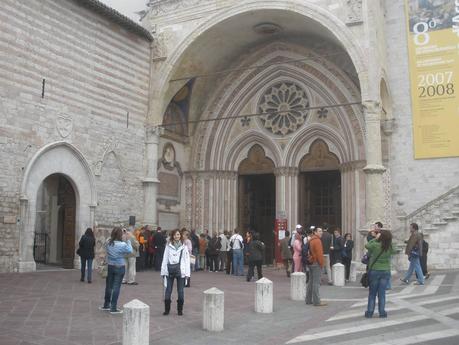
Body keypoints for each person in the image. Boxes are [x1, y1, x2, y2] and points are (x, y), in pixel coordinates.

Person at [100, 227, 133, 314]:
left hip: (110, 266)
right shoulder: (122, 245)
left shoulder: (108, 243)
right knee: (116, 287)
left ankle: (106, 305)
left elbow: (107, 241)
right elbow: (130, 250)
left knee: (109, 286)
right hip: (119, 266)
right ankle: (113, 307)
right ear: (120, 235)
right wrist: (128, 239)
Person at [364, 230, 395, 318]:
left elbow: (367, 245)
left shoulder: (375, 245)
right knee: (382, 293)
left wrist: (374, 239)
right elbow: (395, 250)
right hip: (385, 271)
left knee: (372, 293)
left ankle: (370, 312)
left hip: (375, 270)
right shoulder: (389, 246)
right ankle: (382, 312)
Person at [161, 229, 191, 316]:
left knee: (180, 291)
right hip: (169, 270)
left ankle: (180, 310)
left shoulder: (184, 247)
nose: (176, 236)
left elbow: (187, 260)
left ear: (180, 236)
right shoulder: (168, 246)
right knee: (168, 290)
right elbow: (165, 258)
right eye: (175, 235)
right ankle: (167, 309)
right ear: (172, 236)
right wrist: (163, 271)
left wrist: (187, 274)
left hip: (181, 271)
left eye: (178, 235)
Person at [305, 227, 327, 306]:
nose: (321, 232)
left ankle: (308, 299)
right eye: (319, 231)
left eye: (321, 231)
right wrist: (322, 264)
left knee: (311, 281)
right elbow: (319, 254)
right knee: (316, 283)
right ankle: (317, 301)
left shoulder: (311, 240)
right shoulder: (317, 241)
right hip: (316, 263)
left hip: (311, 262)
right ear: (315, 232)